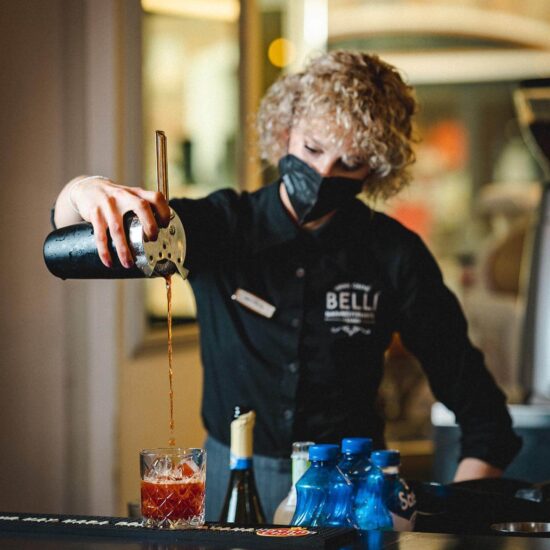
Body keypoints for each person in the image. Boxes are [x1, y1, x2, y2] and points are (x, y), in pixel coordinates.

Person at [52, 50, 521, 521]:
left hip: (349, 494)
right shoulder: (222, 227)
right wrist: (83, 191)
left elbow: (487, 420)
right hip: (228, 485)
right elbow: (66, 243)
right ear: (284, 133)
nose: (324, 174)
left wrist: (457, 520)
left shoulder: (394, 254)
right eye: (313, 149)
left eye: (350, 162)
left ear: (375, 171)